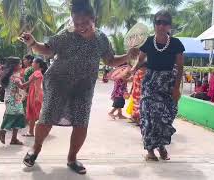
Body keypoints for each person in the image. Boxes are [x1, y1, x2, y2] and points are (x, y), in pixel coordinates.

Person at [20, 0, 138, 174]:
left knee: (81, 123)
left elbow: (110, 60)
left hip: (84, 86)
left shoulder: (101, 38)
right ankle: (35, 150)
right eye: (76, 23)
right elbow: (47, 49)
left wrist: (128, 56)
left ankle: (72, 158)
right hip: (59, 82)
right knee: (47, 119)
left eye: (85, 23)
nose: (80, 26)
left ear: (93, 19)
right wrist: (33, 43)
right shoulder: (66, 35)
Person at [131, 10, 185, 161]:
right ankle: (150, 150)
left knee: (165, 117)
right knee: (148, 116)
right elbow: (140, 61)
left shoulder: (176, 44)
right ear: (154, 24)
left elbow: (180, 67)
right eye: (158, 22)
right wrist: (131, 69)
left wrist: (176, 88)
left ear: (170, 26)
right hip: (150, 83)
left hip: (168, 84)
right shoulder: (147, 42)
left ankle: (161, 145)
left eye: (165, 22)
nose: (161, 25)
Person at [0, 57, 27, 145]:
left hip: (12, 99)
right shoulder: (14, 77)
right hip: (13, 99)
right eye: (20, 64)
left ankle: (14, 139)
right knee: (12, 116)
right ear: (15, 66)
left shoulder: (7, 75)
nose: (21, 65)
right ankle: (2, 131)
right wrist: (32, 80)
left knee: (18, 116)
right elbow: (22, 86)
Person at [22, 57, 47, 137]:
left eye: (33, 62)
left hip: (34, 94)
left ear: (37, 64)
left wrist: (36, 97)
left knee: (33, 114)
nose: (32, 63)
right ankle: (31, 131)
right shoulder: (37, 72)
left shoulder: (37, 73)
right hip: (34, 93)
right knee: (32, 114)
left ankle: (33, 131)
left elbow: (36, 86)